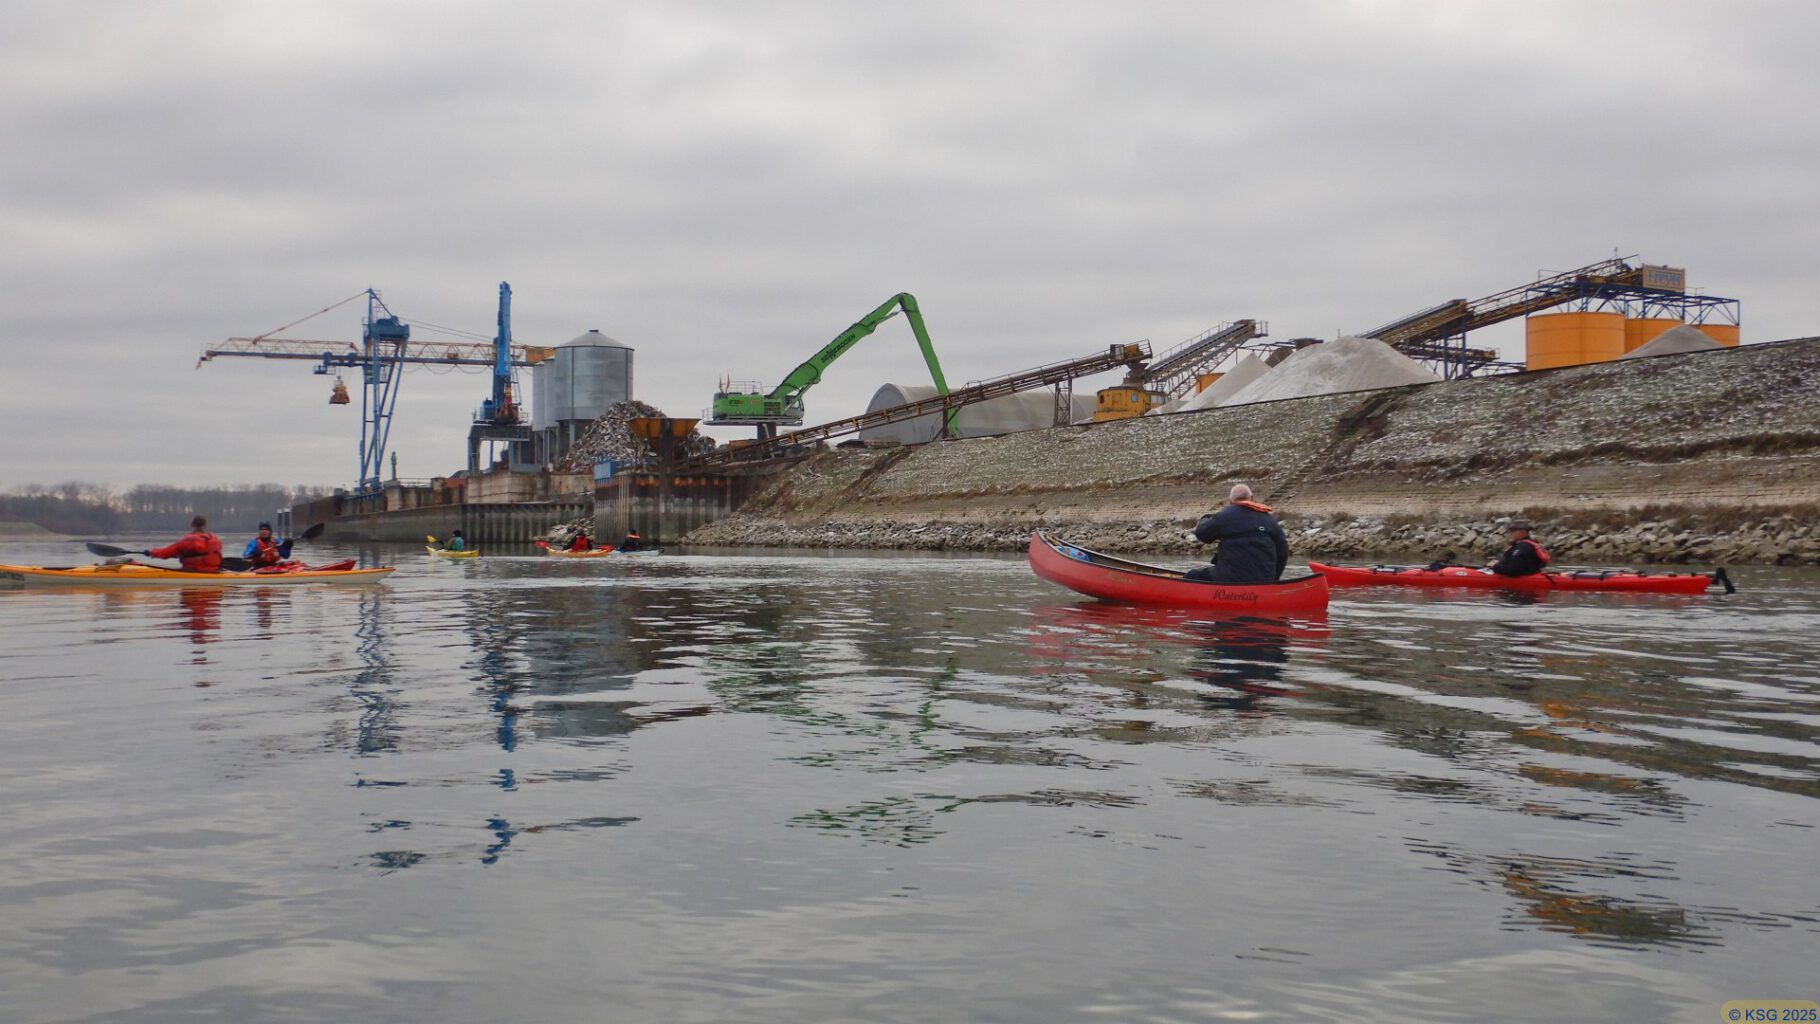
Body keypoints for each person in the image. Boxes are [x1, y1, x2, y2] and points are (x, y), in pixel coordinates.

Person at [1183, 483, 1288, 584]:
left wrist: (1205, 519)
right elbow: (1283, 551)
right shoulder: (1270, 520)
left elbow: (1202, 534)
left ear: (1230, 501)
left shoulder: (1224, 516)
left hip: (1229, 578)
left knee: (1191, 576)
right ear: (1251, 498)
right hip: (1265, 580)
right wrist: (1274, 578)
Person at [145, 515, 223, 572]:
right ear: (205, 526)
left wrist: (151, 552)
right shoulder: (214, 539)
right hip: (214, 571)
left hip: (193, 571)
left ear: (192, 525)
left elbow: (166, 553)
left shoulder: (188, 540)